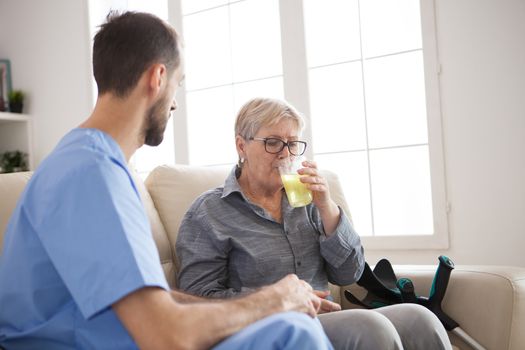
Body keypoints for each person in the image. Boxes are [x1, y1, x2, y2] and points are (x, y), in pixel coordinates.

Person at [0, 12, 335, 350]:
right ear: (157, 78)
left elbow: (149, 300)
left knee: (289, 325)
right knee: (296, 333)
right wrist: (272, 301)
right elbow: (164, 335)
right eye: (179, 83)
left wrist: (269, 301)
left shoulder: (88, 160)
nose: (174, 102)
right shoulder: (92, 173)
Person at [176, 97, 453, 350]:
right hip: (268, 329)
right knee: (370, 327)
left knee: (420, 318)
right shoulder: (209, 212)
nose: (286, 154)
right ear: (242, 146)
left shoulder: (309, 201)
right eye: (273, 142)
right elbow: (197, 298)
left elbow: (349, 274)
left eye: (293, 143)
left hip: (323, 319)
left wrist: (327, 208)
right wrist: (276, 300)